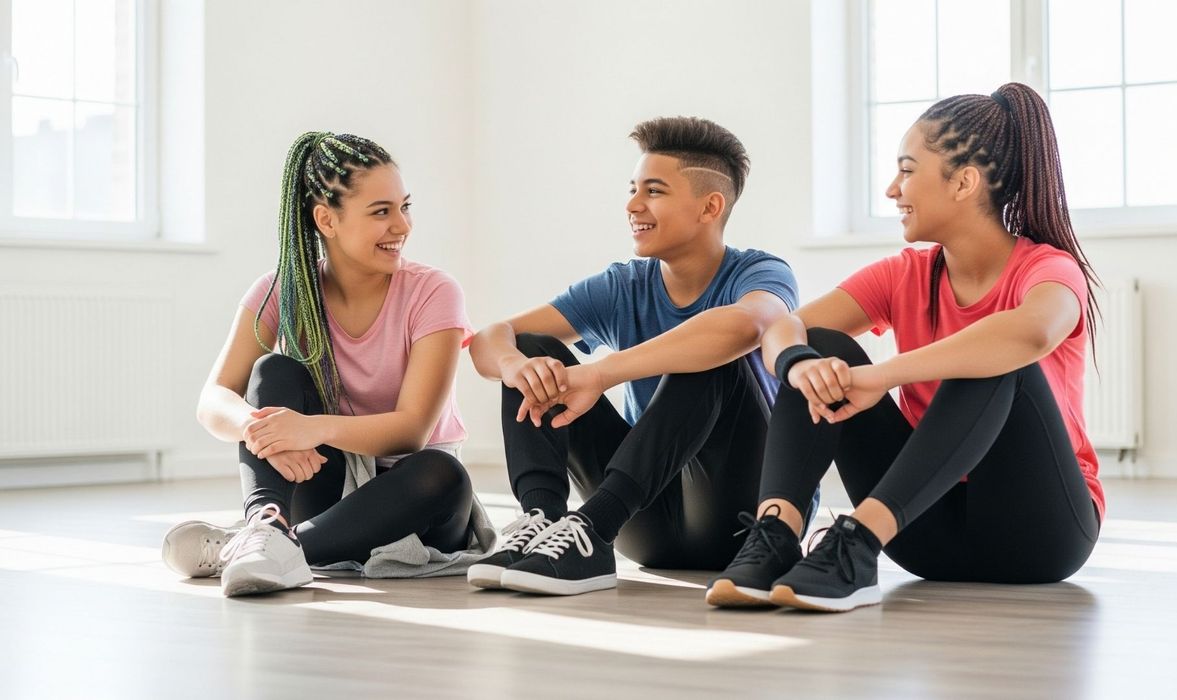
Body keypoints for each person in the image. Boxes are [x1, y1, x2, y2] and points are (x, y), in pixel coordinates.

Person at [707, 82, 1104, 612]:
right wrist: (799, 364)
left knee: (996, 360)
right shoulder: (904, 275)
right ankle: (775, 536)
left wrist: (879, 377)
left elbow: (1029, 333)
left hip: (1040, 534)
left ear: (964, 182)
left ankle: (854, 543)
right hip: (923, 532)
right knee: (823, 346)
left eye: (908, 170)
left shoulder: (1048, 270)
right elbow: (784, 326)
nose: (894, 190)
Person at [466, 116, 801, 596]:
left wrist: (599, 374)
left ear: (710, 206)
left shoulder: (762, 271)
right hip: (644, 520)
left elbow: (749, 324)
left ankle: (594, 526)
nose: (632, 205)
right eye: (633, 188)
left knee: (713, 350)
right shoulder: (624, 284)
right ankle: (546, 525)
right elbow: (489, 340)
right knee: (535, 349)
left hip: (741, 522)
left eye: (654, 191)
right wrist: (516, 365)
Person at [162, 132, 476, 597]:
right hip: (324, 482)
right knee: (273, 371)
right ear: (326, 219)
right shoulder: (281, 289)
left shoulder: (434, 292)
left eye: (404, 207)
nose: (402, 226)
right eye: (381, 212)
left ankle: (255, 547)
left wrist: (312, 429)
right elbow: (213, 400)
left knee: (442, 474)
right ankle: (266, 524)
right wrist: (257, 426)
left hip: (412, 497)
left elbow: (412, 430)